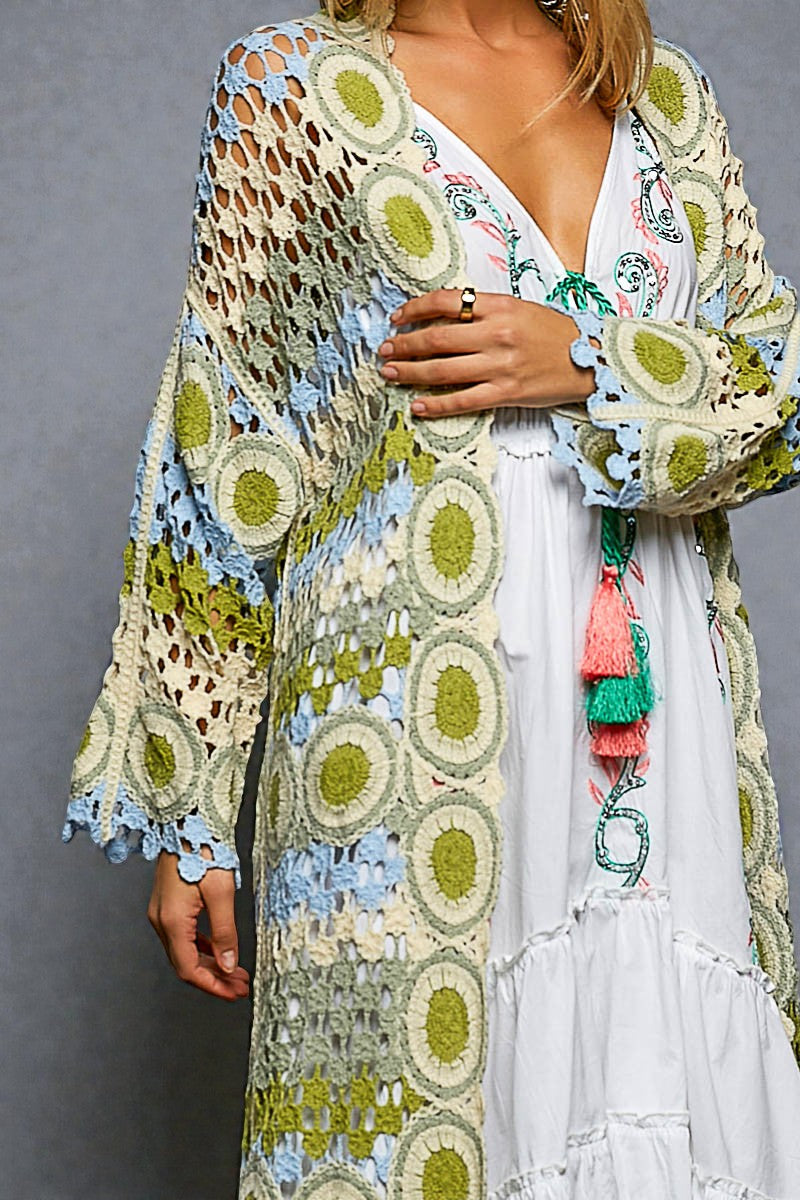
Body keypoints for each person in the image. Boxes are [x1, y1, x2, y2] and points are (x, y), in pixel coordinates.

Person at [63, 0, 800, 1195]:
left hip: (658, 703)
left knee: (660, 1073)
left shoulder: (661, 94)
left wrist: (588, 360)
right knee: (429, 1102)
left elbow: (777, 391)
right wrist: (189, 800)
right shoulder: (292, 87)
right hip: (404, 715)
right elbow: (228, 445)